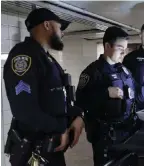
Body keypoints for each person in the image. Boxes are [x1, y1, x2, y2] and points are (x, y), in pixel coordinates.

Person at [3, 8, 84, 166]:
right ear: (47, 25)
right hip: (35, 151)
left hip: (50, 149)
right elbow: (25, 111)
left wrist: (78, 116)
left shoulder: (46, 58)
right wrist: (61, 128)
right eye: (60, 28)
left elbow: (57, 99)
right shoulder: (24, 56)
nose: (62, 33)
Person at [75, 26, 144, 166]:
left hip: (128, 132)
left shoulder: (124, 70)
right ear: (107, 46)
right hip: (106, 136)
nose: (124, 52)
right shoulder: (93, 72)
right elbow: (81, 101)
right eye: (119, 48)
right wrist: (105, 93)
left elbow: (138, 97)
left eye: (125, 48)